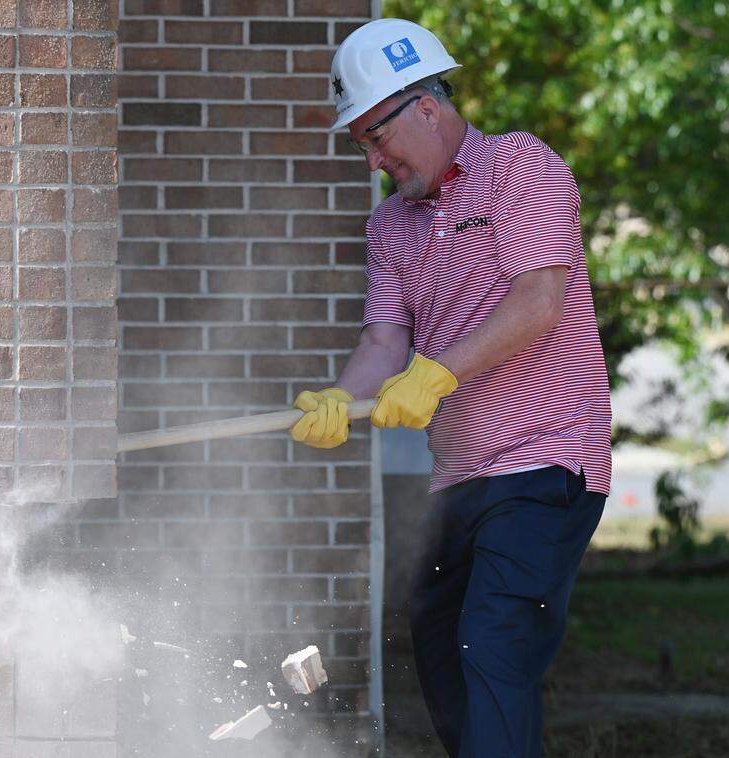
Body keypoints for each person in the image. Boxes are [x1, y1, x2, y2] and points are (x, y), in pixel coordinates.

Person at [287, 17, 613, 758]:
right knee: (438, 649)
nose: (374, 159)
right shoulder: (390, 227)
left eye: (377, 137)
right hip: (461, 473)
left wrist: (438, 373)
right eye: (361, 144)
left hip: (547, 462)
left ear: (425, 106)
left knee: (493, 642)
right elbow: (383, 341)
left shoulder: (521, 169)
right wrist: (343, 394)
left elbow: (539, 300)